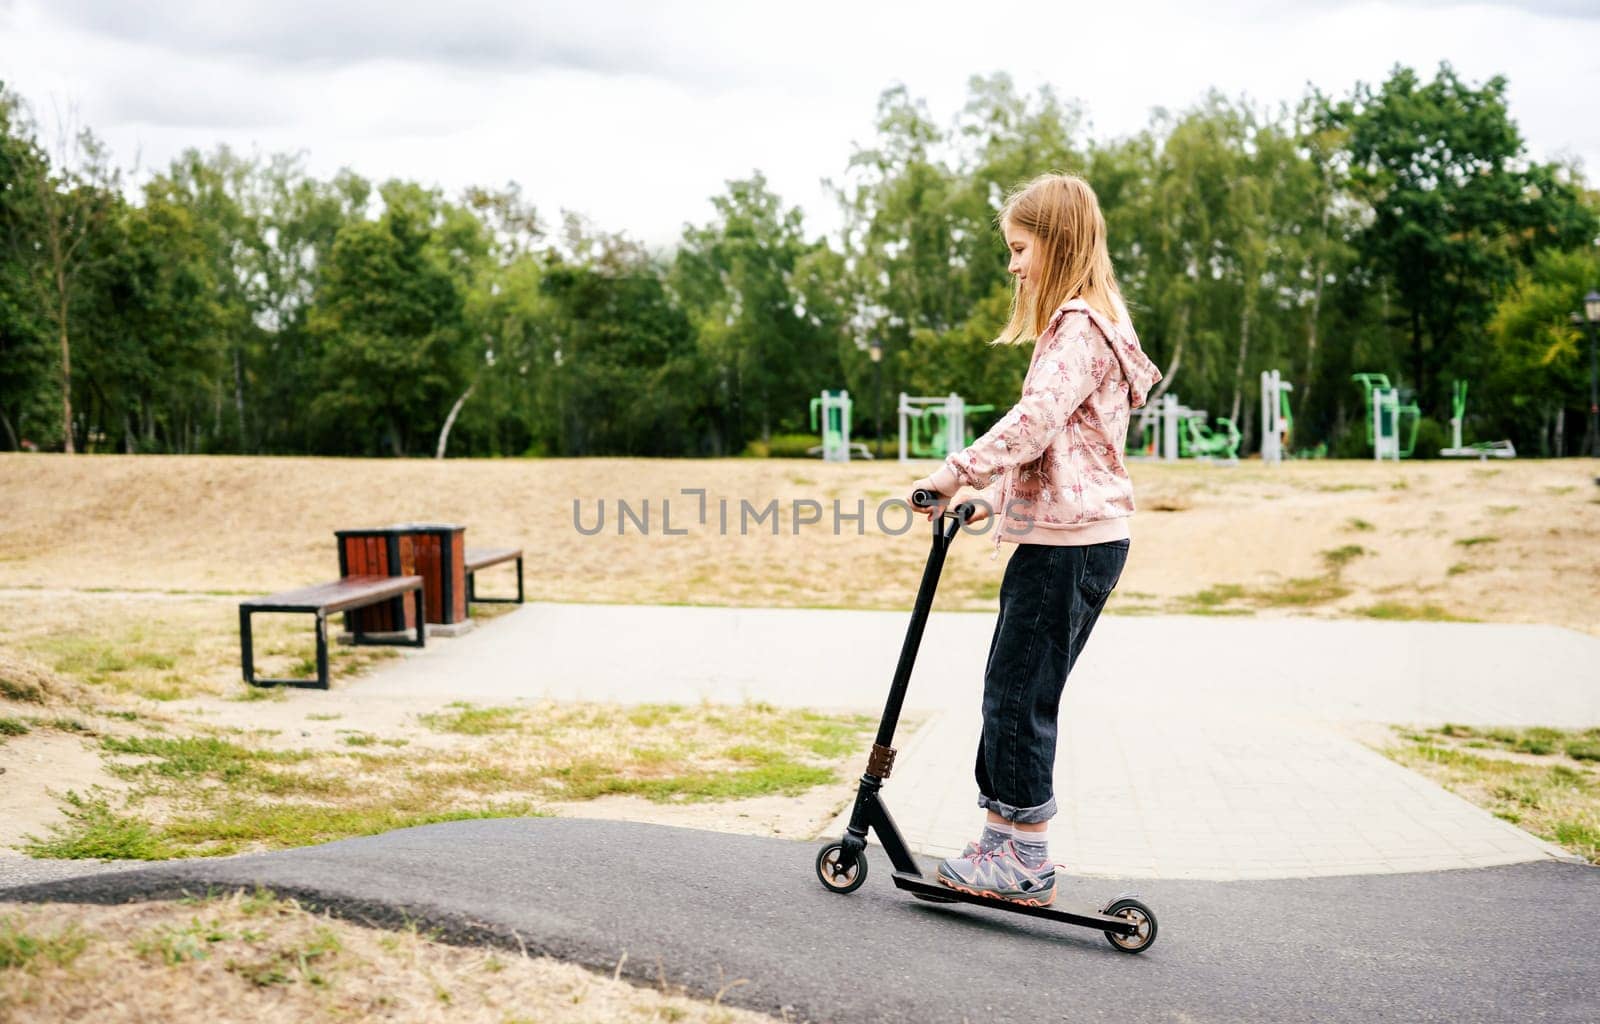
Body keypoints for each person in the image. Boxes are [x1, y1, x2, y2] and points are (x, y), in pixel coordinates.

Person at [908, 172, 1161, 907]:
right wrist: (997, 499)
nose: (1013, 265)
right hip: (1069, 538)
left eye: (1020, 249)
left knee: (1019, 697)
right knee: (1009, 691)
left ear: (1058, 243)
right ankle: (999, 839)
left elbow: (1035, 424)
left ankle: (1026, 859)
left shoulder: (1079, 326)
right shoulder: (1094, 324)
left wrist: (956, 473)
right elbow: (1070, 447)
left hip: (1070, 548)